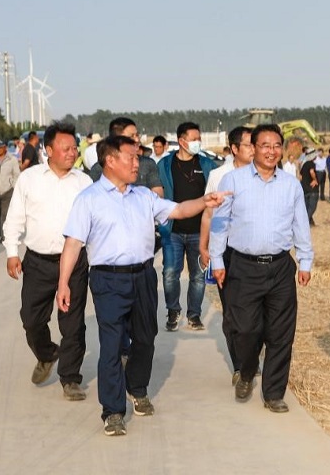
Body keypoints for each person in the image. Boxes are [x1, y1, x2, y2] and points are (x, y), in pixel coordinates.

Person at [56, 135, 227, 436]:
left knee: (146, 337)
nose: (138, 164)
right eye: (131, 157)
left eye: (138, 157)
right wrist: (63, 284)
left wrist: (204, 202)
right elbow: (72, 244)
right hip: (108, 279)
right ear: (110, 160)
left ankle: (137, 388)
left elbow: (178, 210)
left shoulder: (143, 196)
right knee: (111, 344)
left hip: (144, 276)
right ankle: (112, 411)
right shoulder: (89, 199)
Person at [209, 124, 313, 414]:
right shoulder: (233, 180)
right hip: (243, 266)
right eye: (265, 145)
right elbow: (220, 222)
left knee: (281, 333)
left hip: (280, 267)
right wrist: (217, 260)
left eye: (277, 145)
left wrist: (305, 260)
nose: (271, 151)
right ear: (253, 148)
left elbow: (300, 224)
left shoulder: (290, 185)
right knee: (244, 329)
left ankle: (273, 393)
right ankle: (246, 370)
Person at [2, 122, 92, 401]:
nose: (72, 153)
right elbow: (15, 217)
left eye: (74, 148)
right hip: (38, 262)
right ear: (49, 150)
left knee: (72, 323)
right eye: (66, 148)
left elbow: (95, 225)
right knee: (31, 320)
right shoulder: (30, 179)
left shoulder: (84, 183)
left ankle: (70, 378)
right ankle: (47, 353)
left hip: (74, 263)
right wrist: (12, 251)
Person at [199, 126, 255, 386]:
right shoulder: (218, 175)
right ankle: (240, 365)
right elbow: (208, 213)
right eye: (249, 144)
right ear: (234, 148)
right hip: (227, 252)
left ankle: (251, 356)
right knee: (232, 311)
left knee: (257, 313)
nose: (254, 149)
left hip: (256, 253)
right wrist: (204, 247)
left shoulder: (266, 174)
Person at [157, 122, 218, 332]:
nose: (198, 142)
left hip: (199, 231)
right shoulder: (165, 165)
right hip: (172, 230)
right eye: (194, 139)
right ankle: (173, 310)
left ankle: (194, 315)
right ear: (182, 141)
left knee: (198, 276)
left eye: (199, 139)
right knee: (170, 273)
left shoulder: (207, 165)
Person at [299, 148, 320, 226]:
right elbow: (312, 172)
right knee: (312, 207)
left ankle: (311, 222)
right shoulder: (311, 164)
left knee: (307, 207)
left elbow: (300, 176)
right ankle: (304, 223)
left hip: (305, 189)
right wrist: (315, 180)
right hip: (312, 189)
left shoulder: (304, 164)